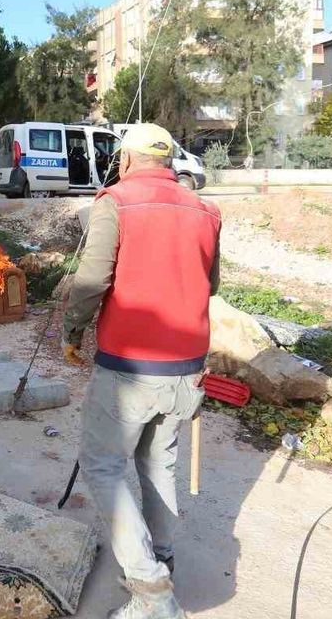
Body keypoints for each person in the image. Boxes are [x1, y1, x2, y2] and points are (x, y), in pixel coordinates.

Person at [62, 123, 222, 619]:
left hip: (130, 367)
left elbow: (92, 279)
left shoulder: (116, 202)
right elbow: (211, 283)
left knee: (103, 466)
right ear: (169, 161)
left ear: (126, 160)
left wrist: (72, 331)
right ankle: (162, 555)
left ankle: (152, 591)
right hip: (187, 367)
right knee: (158, 464)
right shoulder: (206, 210)